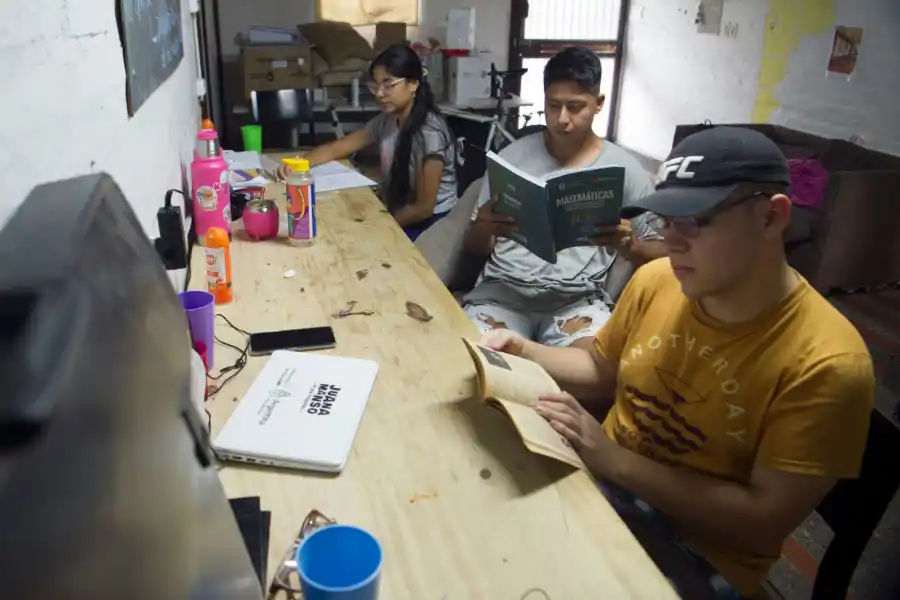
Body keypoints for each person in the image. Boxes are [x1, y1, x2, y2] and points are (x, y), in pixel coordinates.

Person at [481, 126, 875, 598]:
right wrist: (523, 351)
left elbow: (761, 521)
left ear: (771, 217)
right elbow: (603, 369)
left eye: (694, 222)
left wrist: (613, 459)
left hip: (701, 551)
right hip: (605, 485)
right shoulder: (658, 280)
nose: (672, 243)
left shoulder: (828, 362)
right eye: (667, 222)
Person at [461, 46, 666, 346]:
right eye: (553, 105)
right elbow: (474, 248)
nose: (561, 119)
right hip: (503, 293)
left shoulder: (624, 169)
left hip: (576, 301)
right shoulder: (511, 157)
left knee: (595, 362)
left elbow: (666, 251)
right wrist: (482, 227)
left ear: (598, 103)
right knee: (478, 357)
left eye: (575, 107)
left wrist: (630, 246)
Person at [278, 44, 458, 240]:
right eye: (376, 86)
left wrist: (377, 225)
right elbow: (339, 147)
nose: (380, 93)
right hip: (401, 211)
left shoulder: (430, 133)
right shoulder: (387, 120)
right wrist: (300, 164)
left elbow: (423, 208)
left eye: (388, 85)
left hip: (432, 225)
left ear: (413, 84)